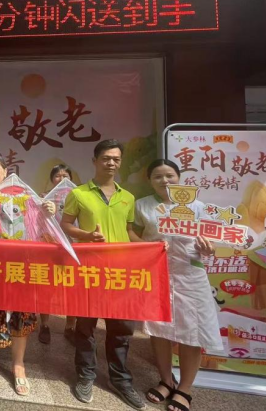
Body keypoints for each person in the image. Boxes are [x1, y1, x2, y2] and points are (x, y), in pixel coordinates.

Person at [60, 139, 145, 410]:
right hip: (89, 272)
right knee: (85, 328)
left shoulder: (128, 197)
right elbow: (65, 225)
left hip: (120, 273)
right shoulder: (78, 193)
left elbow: (129, 231)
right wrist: (87, 236)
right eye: (106, 158)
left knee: (121, 330)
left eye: (116, 159)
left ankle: (121, 380)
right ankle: (86, 376)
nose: (111, 163)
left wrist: (152, 246)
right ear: (95, 160)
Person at [0, 153, 55, 396]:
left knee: (20, 315)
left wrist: (48, 211)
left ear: (6, 171)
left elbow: (38, 226)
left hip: (18, 269)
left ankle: (18, 365)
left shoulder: (22, 196)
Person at [135, 159, 221, 411]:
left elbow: (213, 244)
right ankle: (166, 380)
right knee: (158, 328)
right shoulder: (143, 205)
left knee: (192, 332)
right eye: (158, 176)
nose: (165, 181)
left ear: (179, 177)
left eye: (170, 175)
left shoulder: (198, 207)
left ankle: (184, 388)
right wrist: (147, 247)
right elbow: (133, 234)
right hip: (157, 274)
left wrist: (209, 249)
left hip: (190, 276)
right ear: (150, 181)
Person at [39, 164, 75, 345]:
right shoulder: (43, 197)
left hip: (73, 248)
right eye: (57, 176)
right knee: (46, 289)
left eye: (65, 176)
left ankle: (70, 327)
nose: (61, 179)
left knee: (72, 289)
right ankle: (44, 325)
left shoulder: (79, 196)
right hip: (50, 248)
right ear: (52, 179)